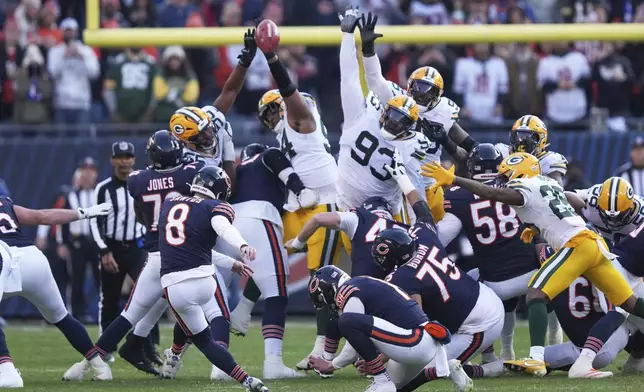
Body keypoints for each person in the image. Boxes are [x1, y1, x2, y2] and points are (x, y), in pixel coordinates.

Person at [421, 152, 644, 377]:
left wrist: (455, 180)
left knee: (536, 292)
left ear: (520, 173)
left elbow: (491, 192)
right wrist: (538, 227)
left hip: (577, 244)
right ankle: (583, 366)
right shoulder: (548, 182)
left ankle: (536, 358)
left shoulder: (526, 186)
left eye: (506, 175)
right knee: (629, 303)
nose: (503, 179)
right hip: (594, 244)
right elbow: (569, 203)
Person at [78, 131, 250, 377]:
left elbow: (140, 212)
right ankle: (214, 365)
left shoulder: (137, 179)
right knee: (209, 309)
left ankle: (103, 356)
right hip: (186, 252)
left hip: (157, 251)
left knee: (135, 311)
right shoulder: (191, 172)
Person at [232, 18, 342, 370]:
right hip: (298, 207)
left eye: (273, 109)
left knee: (319, 281)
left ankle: (321, 352)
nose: (270, 117)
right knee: (270, 259)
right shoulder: (281, 138)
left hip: (324, 203)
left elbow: (291, 94)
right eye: (265, 113)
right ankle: (244, 309)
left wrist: (273, 59)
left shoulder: (302, 123)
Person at [376, 149, 503, 390]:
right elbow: (421, 208)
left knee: (416, 371)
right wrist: (402, 177)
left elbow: (417, 326)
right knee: (403, 364)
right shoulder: (423, 236)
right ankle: (483, 362)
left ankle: (483, 369)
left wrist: (382, 356)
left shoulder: (401, 277)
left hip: (479, 324)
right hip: (482, 298)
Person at [157, 166, 267, 392]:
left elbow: (190, 243)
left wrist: (237, 251)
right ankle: (248, 380)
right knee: (197, 321)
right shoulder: (213, 207)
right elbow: (222, 227)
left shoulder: (170, 203)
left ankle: (175, 356)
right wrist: (240, 248)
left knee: (202, 337)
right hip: (206, 280)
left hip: (176, 285)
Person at [208, 143, 311, 380]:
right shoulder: (267, 156)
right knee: (277, 289)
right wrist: (301, 190)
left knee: (217, 299)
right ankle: (273, 363)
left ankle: (218, 365)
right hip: (258, 218)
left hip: (226, 224)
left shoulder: (235, 170)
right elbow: (281, 165)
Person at [438, 144, 540, 361]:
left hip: (496, 282)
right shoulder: (517, 184)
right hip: (532, 271)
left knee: (464, 284)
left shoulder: (459, 196)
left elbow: (441, 238)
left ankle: (489, 356)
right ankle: (539, 352)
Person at [334, 7, 434, 225]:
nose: (394, 123)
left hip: (386, 212)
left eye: (427, 92)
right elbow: (368, 78)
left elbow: (417, 187)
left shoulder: (417, 139)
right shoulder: (383, 102)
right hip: (345, 203)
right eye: (417, 88)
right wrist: (364, 46)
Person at [0, 195, 112, 385]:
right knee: (60, 316)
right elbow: (43, 216)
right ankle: (99, 365)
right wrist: (82, 213)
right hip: (33, 259)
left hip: (5, 258)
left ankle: (7, 371)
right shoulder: (5, 203)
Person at [306, 265, 468, 392]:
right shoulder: (363, 282)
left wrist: (331, 365)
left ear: (328, 289)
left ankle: (381, 380)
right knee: (398, 388)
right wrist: (377, 360)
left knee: (347, 321)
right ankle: (444, 369)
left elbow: (351, 346)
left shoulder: (348, 291)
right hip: (423, 342)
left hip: (414, 341)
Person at [359, 11, 475, 167]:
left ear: (438, 96)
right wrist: (368, 49)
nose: (421, 95)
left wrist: (446, 141)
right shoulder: (395, 97)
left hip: (429, 180)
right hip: (390, 173)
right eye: (419, 87)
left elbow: (469, 151)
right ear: (409, 86)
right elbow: (374, 77)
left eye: (429, 91)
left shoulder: (443, 112)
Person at [90, 141, 147, 359]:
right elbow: (95, 222)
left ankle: (145, 344)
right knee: (110, 298)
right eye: (120, 157)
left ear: (134, 159)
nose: (124, 161)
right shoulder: (103, 189)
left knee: (148, 293)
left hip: (138, 247)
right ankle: (106, 348)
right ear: (112, 160)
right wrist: (104, 251)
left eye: (128, 156)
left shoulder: (142, 182)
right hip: (112, 248)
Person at [286, 197, 407, 281]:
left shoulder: (358, 218)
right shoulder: (405, 229)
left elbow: (317, 219)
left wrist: (297, 243)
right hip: (396, 288)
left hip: (362, 287)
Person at [56, 157, 100, 321]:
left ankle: (104, 312)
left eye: (91, 171)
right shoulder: (71, 195)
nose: (88, 175)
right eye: (85, 171)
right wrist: (62, 242)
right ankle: (77, 313)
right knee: (76, 279)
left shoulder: (100, 193)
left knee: (101, 279)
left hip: (97, 242)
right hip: (77, 243)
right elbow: (63, 220)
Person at [46, 17, 99, 126]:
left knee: (80, 141)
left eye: (72, 31)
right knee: (61, 141)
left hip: (81, 103)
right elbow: (52, 73)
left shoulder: (86, 51)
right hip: (61, 103)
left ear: (76, 32)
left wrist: (81, 58)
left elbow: (94, 73)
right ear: (62, 32)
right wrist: (65, 57)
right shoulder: (55, 51)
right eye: (67, 31)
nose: (69, 34)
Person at [567, 177, 644, 242]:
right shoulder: (591, 199)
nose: (612, 221)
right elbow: (570, 197)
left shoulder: (641, 216)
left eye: (619, 216)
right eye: (607, 215)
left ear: (631, 207)